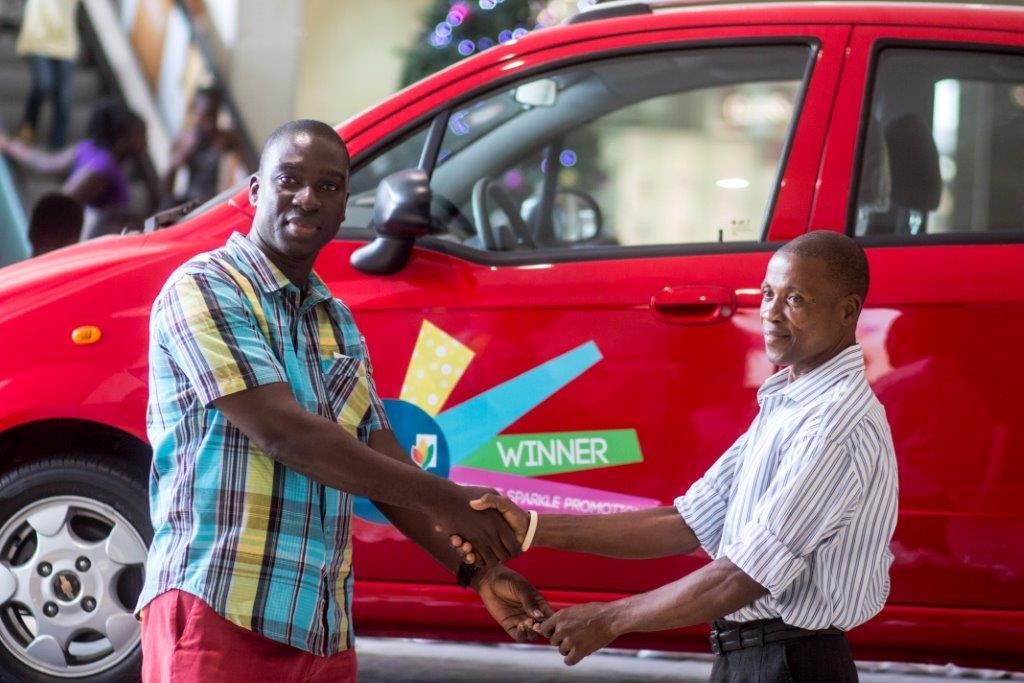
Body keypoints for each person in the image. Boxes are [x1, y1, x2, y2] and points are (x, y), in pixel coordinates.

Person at [136, 119, 547, 682]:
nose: (307, 198)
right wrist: (450, 499)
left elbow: (383, 462)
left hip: (320, 624)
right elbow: (285, 434)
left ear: (344, 204)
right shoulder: (205, 287)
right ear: (255, 190)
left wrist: (476, 573)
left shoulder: (336, 320)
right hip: (221, 604)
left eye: (328, 186)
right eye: (289, 180)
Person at [454, 230, 899, 682]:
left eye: (795, 299)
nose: (771, 312)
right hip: (757, 659)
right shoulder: (793, 402)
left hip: (790, 666)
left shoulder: (833, 425)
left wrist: (610, 620)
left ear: (847, 312)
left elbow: (741, 576)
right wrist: (529, 529)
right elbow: (685, 522)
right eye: (768, 293)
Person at [0, 99, 150, 240]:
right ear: (123, 138)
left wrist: (10, 146)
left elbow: (45, 163)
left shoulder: (88, 149)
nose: (145, 143)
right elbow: (62, 204)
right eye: (142, 136)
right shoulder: (104, 167)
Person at [15, 0, 81, 149]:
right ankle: (28, 127)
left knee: (63, 98)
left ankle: (57, 147)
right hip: (37, 40)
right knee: (43, 84)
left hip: (65, 44)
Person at [163, 86, 242, 206]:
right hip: (192, 204)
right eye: (205, 116)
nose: (210, 124)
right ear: (195, 111)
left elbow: (249, 167)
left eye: (213, 116)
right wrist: (177, 162)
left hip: (220, 203)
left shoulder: (224, 138)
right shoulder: (184, 141)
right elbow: (165, 191)